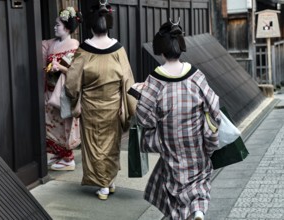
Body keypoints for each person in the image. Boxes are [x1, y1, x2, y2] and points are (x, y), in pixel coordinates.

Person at [133, 19, 221, 220]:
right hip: (195, 140)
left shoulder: (155, 79)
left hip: (170, 141)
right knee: (199, 179)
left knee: (174, 182)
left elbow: (144, 117)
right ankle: (197, 210)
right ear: (180, 47)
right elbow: (213, 105)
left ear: (161, 50)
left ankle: (181, 214)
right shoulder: (195, 75)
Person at [65, 0, 136, 200]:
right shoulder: (118, 50)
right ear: (108, 23)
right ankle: (109, 181)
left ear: (91, 25)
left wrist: (75, 98)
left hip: (90, 107)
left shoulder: (84, 50)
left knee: (94, 146)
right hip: (113, 106)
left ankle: (103, 185)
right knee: (111, 145)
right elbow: (128, 80)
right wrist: (127, 105)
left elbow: (71, 81)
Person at [42, 7, 83, 171]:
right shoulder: (53, 43)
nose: (55, 27)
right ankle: (58, 153)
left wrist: (60, 67)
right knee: (50, 123)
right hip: (50, 89)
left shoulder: (74, 44)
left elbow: (76, 70)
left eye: (58, 25)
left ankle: (68, 157)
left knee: (64, 122)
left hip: (64, 91)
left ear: (66, 27)